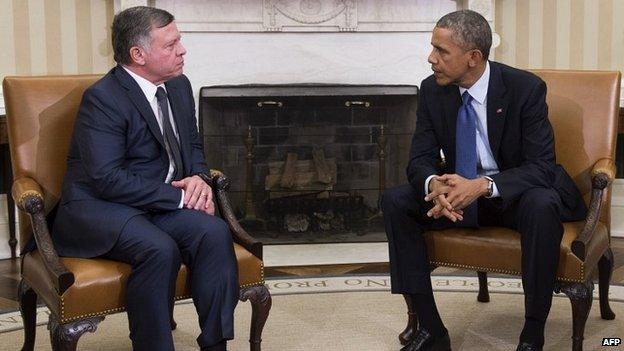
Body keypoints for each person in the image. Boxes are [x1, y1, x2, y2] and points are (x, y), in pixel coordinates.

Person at [382, 10, 587, 351]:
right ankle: (432, 330)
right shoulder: (432, 90)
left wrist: (480, 186)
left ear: (473, 57)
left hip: (511, 196)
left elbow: (542, 166)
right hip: (458, 197)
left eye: (441, 51)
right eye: (432, 48)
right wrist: (435, 185)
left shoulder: (525, 89)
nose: (430, 58)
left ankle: (532, 334)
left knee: (542, 203)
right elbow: (419, 158)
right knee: (396, 201)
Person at [51, 6, 237, 351]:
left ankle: (215, 344)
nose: (182, 50)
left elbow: (193, 145)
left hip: (156, 204)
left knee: (214, 233)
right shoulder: (103, 99)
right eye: (171, 45)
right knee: (159, 249)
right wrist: (181, 198)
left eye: (179, 41)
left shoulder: (179, 86)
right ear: (138, 54)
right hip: (102, 206)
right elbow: (106, 178)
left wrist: (198, 178)